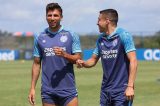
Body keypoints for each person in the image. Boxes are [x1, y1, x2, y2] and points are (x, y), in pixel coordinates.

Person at [76, 9, 138, 106]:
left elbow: (133, 60)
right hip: (105, 91)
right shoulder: (101, 39)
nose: (97, 23)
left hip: (122, 91)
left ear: (107, 21)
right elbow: (93, 60)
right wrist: (83, 63)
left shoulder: (123, 35)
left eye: (99, 20)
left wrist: (130, 86)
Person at [28, 2, 82, 106]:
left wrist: (65, 55)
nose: (52, 18)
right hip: (48, 91)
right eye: (49, 15)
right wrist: (32, 88)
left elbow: (78, 58)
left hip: (68, 90)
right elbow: (36, 63)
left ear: (61, 17)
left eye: (55, 15)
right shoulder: (39, 36)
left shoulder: (71, 34)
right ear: (46, 17)